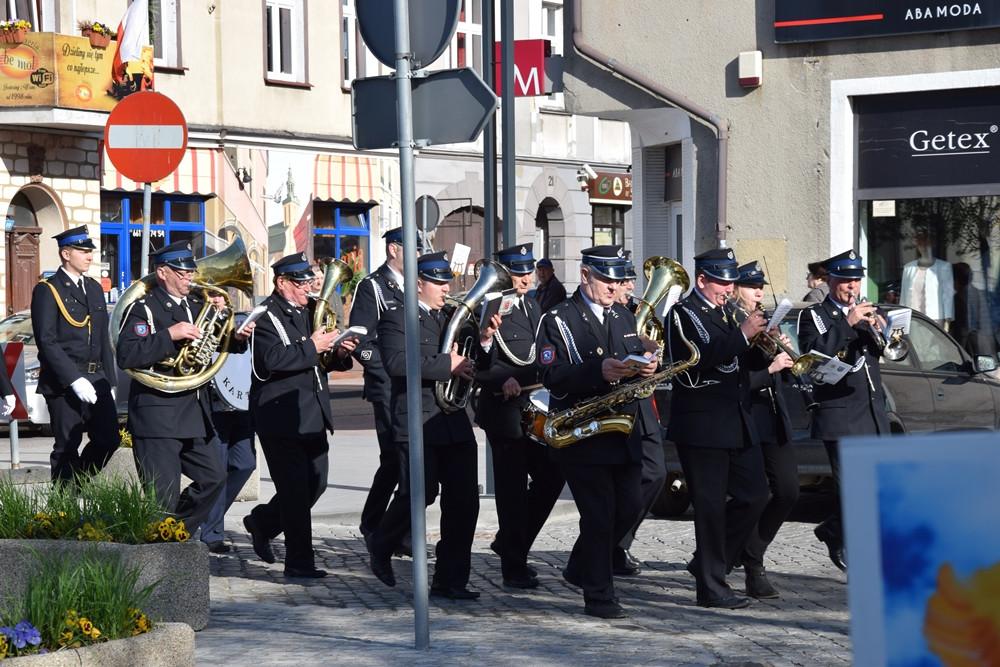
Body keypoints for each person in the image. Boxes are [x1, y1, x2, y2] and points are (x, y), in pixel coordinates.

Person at [366, 251, 501, 599]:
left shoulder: (454, 317)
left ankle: (450, 579)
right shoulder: (397, 317)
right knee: (418, 494)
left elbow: (478, 365)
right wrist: (447, 364)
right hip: (417, 419)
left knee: (464, 502)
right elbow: (396, 363)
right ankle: (381, 544)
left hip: (453, 421)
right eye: (439, 283)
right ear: (419, 283)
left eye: (447, 282)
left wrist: (484, 339)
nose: (446, 288)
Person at [535, 245, 659, 619]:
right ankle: (600, 595)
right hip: (581, 432)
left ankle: (579, 567)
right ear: (585, 274)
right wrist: (595, 372)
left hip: (621, 428)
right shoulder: (557, 318)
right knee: (599, 515)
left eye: (618, 278)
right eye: (607, 277)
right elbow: (548, 375)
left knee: (630, 507)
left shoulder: (624, 315)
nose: (614, 285)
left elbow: (632, 358)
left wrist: (647, 366)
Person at [115, 241, 253, 534]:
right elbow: (126, 354)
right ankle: (162, 546)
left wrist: (237, 338)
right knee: (161, 498)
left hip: (193, 412)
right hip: (157, 415)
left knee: (214, 477)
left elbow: (211, 347)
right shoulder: (144, 308)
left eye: (191, 271)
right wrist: (169, 335)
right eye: (182, 272)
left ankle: (176, 531)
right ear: (162, 272)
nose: (190, 277)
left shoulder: (196, 304)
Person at [666, 247, 769, 610]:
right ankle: (711, 588)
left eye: (731, 282)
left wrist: (763, 340)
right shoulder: (683, 314)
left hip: (736, 420)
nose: (728, 289)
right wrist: (742, 334)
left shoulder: (728, 313)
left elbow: (745, 360)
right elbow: (698, 357)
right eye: (722, 282)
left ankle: (711, 562)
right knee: (709, 508)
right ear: (702, 280)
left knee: (757, 494)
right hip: (702, 423)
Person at [243, 252, 356, 579]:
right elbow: (271, 360)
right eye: (301, 282)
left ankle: (262, 522)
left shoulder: (311, 311)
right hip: (279, 416)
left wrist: (339, 353)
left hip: (312, 413)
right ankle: (299, 563)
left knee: (315, 484)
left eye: (309, 281)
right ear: (282, 283)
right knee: (294, 491)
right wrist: (313, 345)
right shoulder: (263, 316)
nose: (309, 288)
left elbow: (322, 360)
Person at [474, 243, 565, 589]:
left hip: (532, 404)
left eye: (529, 271)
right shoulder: (489, 306)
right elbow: (477, 361)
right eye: (518, 271)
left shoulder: (533, 304)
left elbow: (537, 355)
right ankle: (513, 566)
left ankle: (512, 541)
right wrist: (502, 376)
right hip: (502, 409)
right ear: (505, 273)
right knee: (511, 489)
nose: (526, 277)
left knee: (552, 476)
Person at [797, 249, 890, 571]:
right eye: (846, 280)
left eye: (856, 280)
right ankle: (859, 549)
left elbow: (884, 351)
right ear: (831, 279)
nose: (852, 287)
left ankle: (833, 529)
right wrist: (848, 324)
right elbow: (812, 357)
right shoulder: (814, 316)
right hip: (840, 414)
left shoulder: (868, 311)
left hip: (872, 411)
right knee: (850, 487)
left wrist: (882, 328)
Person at [349, 227, 420, 554]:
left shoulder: (418, 286)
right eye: (412, 249)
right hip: (388, 386)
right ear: (394, 249)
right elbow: (358, 341)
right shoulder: (373, 287)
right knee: (396, 457)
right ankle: (390, 531)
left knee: (400, 460)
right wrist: (384, 368)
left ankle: (380, 524)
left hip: (415, 385)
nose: (418, 256)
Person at [31, 226, 119, 485]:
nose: (90, 256)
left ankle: (76, 484)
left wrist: (109, 382)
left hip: (96, 378)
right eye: (83, 251)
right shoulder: (48, 289)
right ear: (66, 254)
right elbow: (46, 340)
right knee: (67, 446)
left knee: (109, 439)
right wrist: (73, 379)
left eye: (90, 251)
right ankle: (64, 511)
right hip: (63, 381)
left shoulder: (93, 288)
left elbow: (102, 336)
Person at [732, 261, 799, 599]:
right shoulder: (732, 325)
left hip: (774, 416)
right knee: (753, 495)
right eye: (750, 287)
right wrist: (769, 366)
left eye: (760, 287)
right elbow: (732, 379)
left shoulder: (764, 323)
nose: (758, 293)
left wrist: (779, 348)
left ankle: (727, 552)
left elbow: (781, 375)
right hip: (746, 418)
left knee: (789, 491)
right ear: (734, 290)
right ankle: (752, 564)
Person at [612, 252, 665, 577]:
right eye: (625, 281)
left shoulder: (633, 314)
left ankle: (620, 541)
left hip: (644, 405)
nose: (631, 286)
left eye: (632, 280)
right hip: (619, 405)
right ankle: (612, 547)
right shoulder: (614, 317)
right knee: (624, 484)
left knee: (656, 473)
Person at [199, 290, 256, 554]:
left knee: (245, 464)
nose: (215, 299)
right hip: (214, 405)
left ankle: (200, 510)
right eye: (210, 295)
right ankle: (213, 532)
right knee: (218, 470)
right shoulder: (197, 322)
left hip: (242, 403)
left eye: (219, 295)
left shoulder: (239, 320)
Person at [901, 232, 953, 328]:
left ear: (932, 245)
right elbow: (904, 296)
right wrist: (902, 318)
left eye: (927, 245)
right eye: (921, 244)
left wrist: (948, 319)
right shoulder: (909, 268)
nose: (924, 248)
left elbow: (948, 295)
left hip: (935, 318)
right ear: (917, 246)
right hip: (913, 318)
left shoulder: (944, 267)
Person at [951, 262, 995, 358]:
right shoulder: (978, 293)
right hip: (985, 345)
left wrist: (958, 352)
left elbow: (962, 328)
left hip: (970, 348)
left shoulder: (959, 297)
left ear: (956, 280)